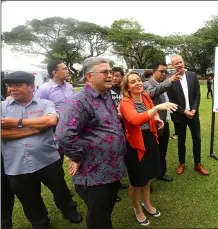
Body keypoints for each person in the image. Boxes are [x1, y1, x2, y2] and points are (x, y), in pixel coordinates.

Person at [1, 71, 82, 228]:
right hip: (16, 165)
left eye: (17, 85)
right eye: (9, 85)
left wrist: (17, 122)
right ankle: (40, 222)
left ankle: (69, 209)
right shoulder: (2, 107)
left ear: (32, 87)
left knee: (60, 190)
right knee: (29, 199)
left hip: (48, 160)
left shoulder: (45, 104)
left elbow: (51, 120)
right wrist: (36, 127)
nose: (12, 89)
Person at [55, 57, 127, 228]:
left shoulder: (106, 95)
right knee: (98, 219)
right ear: (89, 76)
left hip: (111, 169)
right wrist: (77, 157)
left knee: (105, 212)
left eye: (111, 71)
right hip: (94, 175)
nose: (110, 75)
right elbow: (64, 136)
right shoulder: (78, 102)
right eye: (105, 72)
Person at [120, 72, 177, 226]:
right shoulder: (125, 102)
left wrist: (157, 119)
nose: (138, 83)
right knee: (137, 179)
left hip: (150, 140)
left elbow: (151, 113)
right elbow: (135, 120)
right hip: (135, 144)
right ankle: (137, 208)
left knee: (148, 175)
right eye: (133, 82)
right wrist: (158, 106)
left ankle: (147, 203)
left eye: (138, 80)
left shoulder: (145, 96)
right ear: (127, 87)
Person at [167, 55, 210, 175]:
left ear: (183, 62)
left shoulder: (192, 75)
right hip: (180, 116)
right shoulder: (170, 80)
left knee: (197, 138)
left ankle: (198, 163)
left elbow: (197, 95)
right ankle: (182, 163)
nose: (180, 65)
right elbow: (172, 100)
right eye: (176, 63)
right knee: (181, 140)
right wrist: (184, 111)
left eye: (181, 62)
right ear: (173, 65)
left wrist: (194, 110)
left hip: (193, 115)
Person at [143, 62, 181, 182]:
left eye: (166, 72)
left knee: (163, 150)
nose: (164, 74)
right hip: (153, 124)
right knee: (151, 152)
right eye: (161, 71)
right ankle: (149, 178)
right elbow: (151, 94)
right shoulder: (147, 84)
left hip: (165, 122)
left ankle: (161, 173)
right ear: (154, 71)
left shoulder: (163, 84)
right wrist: (169, 81)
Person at [34, 60, 74, 163]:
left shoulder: (69, 87)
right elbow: (37, 109)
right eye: (64, 69)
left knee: (76, 156)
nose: (68, 71)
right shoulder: (44, 90)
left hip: (72, 126)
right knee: (57, 157)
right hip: (55, 128)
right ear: (54, 72)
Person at [110, 66, 129, 197]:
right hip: (112, 128)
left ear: (122, 77)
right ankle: (113, 188)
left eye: (117, 76)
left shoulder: (125, 91)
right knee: (113, 156)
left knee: (124, 153)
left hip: (125, 126)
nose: (114, 78)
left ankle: (119, 181)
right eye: (112, 75)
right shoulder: (107, 91)